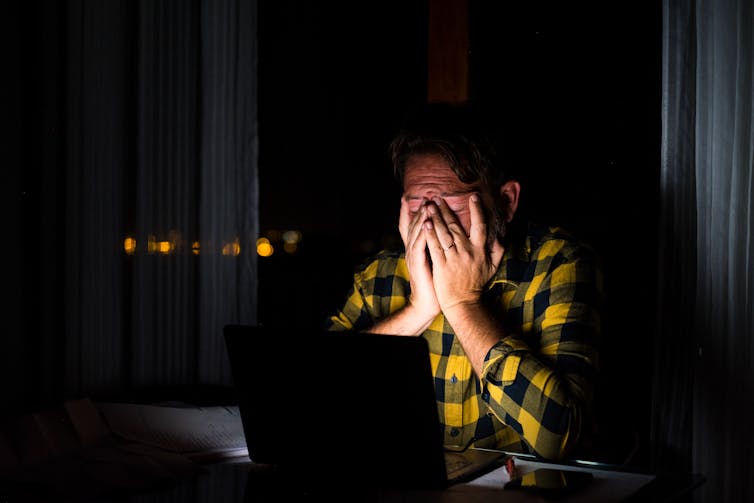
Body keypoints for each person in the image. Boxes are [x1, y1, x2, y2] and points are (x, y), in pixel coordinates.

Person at [325, 103, 602, 461]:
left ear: (505, 202)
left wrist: (463, 304)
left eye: (452, 208)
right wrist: (417, 310)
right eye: (417, 207)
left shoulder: (559, 264)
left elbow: (558, 436)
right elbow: (320, 396)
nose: (430, 224)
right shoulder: (378, 276)